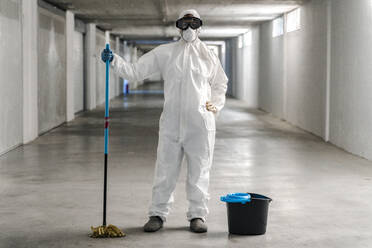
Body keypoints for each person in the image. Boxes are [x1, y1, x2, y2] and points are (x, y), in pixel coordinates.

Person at [101, 9, 228, 233]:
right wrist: (115, 61)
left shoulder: (209, 55)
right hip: (171, 123)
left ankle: (197, 215)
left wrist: (215, 104)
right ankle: (157, 214)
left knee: (200, 170)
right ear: (178, 26)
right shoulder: (165, 53)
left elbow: (221, 83)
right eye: (184, 23)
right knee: (165, 170)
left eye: (193, 23)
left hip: (201, 124)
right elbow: (135, 72)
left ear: (200, 26)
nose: (189, 28)